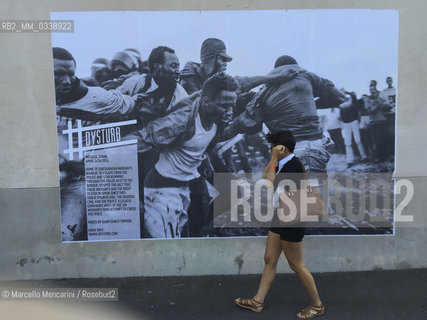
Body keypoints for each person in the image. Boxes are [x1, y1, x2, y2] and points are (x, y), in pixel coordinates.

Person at [131, 72, 238, 238]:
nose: (229, 111)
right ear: (207, 101)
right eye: (225, 106)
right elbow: (141, 140)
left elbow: (245, 83)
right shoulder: (182, 121)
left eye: (232, 106)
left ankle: (203, 231)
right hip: (162, 189)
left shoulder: (215, 119)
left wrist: (205, 159)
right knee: (167, 247)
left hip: (186, 185)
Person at [235, 130, 325, 319]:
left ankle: (317, 305)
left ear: (281, 148)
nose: (270, 150)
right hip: (280, 215)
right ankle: (257, 301)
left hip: (293, 219)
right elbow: (264, 174)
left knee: (296, 264)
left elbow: (268, 184)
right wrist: (275, 158)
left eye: (272, 147)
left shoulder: (292, 165)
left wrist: (275, 157)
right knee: (270, 258)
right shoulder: (283, 163)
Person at [53, 47, 136, 241]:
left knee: (63, 237)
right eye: (58, 74)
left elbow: (132, 104)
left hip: (75, 182)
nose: (66, 81)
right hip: (38, 183)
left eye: (70, 74)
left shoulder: (97, 96)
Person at [362, 85, 391, 163]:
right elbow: (369, 111)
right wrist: (378, 104)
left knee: (385, 140)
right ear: (369, 91)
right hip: (374, 123)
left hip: (383, 121)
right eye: (370, 89)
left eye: (373, 89)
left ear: (376, 90)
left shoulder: (380, 98)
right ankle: (378, 158)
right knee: (377, 142)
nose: (372, 91)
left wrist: (386, 105)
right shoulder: (367, 100)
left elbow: (387, 106)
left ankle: (386, 157)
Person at [339, 90, 367, 167]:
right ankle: (350, 161)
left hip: (353, 122)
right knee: (348, 143)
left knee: (357, 140)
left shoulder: (354, 103)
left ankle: (363, 157)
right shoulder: (342, 104)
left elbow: (354, 97)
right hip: (346, 123)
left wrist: (346, 91)